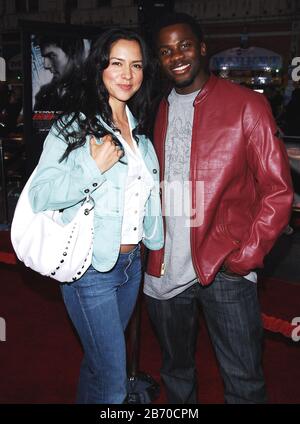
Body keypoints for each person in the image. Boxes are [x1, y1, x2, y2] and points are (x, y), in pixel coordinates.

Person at [144, 13, 293, 404]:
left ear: (202, 47)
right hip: (163, 267)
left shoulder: (247, 106)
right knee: (175, 375)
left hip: (224, 266)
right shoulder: (154, 108)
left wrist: (245, 255)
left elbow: (278, 191)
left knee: (243, 381)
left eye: (184, 46)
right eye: (165, 50)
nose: (176, 56)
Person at [28, 28, 164, 404]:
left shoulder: (140, 132)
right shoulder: (73, 126)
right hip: (91, 270)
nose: (127, 74)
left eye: (136, 65)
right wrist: (90, 166)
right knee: (113, 380)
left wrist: (159, 244)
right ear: (99, 68)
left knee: (97, 364)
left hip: (130, 265)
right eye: (116, 63)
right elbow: (41, 195)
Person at [32, 35, 87, 111]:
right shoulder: (44, 94)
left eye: (52, 56)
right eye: (44, 57)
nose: (46, 65)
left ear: (73, 54)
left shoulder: (90, 93)